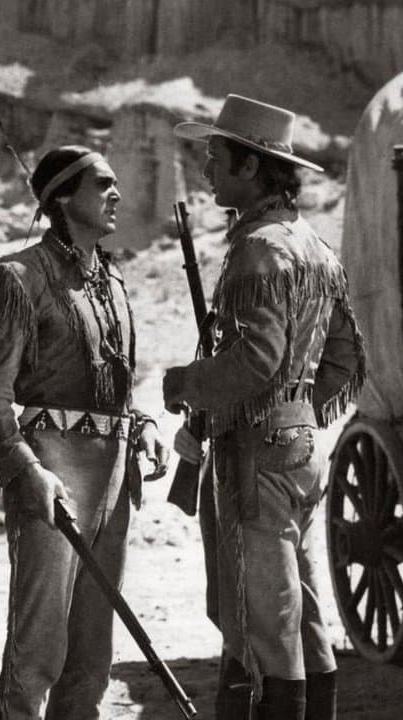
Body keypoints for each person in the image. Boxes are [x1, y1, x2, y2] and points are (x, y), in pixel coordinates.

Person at [163, 95, 365, 720]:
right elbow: (346, 360)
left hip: (256, 458)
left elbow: (254, 361)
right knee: (300, 609)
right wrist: (297, 412)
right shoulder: (316, 248)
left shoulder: (257, 250)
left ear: (251, 168)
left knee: (262, 621)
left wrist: (186, 385)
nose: (206, 171)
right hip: (300, 451)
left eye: (216, 158)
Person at [0, 145, 168, 719]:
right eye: (101, 183)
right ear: (61, 197)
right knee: (37, 655)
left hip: (114, 479)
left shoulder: (114, 281)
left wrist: (143, 424)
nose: (116, 194)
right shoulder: (17, 278)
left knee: (92, 659)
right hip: (52, 474)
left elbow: (122, 385)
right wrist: (28, 472)